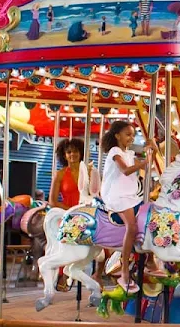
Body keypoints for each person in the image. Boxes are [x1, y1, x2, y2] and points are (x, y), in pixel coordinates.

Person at [101, 121, 152, 289]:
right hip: (116, 196)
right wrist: (145, 162)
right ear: (117, 136)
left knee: (149, 218)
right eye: (128, 134)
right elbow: (125, 170)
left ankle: (150, 261)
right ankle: (124, 271)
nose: (131, 138)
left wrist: (152, 150)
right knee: (132, 226)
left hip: (130, 196)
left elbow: (144, 160)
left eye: (133, 135)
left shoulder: (129, 153)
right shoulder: (115, 152)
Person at [49, 139, 101, 209]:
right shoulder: (59, 174)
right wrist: (71, 211)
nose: (72, 154)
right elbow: (53, 202)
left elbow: (99, 195)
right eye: (69, 152)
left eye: (75, 151)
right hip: (66, 214)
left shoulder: (90, 172)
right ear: (64, 155)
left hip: (88, 213)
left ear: (81, 153)